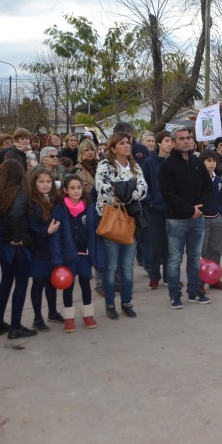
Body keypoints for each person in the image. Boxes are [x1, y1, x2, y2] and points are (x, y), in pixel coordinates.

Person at [95, 131, 148, 318]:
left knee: (127, 266)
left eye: (128, 143)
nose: (127, 146)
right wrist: (125, 192)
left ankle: (126, 302)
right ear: (113, 147)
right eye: (122, 143)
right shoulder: (104, 165)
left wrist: (127, 193)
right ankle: (110, 304)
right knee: (111, 266)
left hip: (131, 221)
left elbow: (143, 189)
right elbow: (103, 189)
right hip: (112, 220)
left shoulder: (134, 165)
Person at [0, 160, 38, 339]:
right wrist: (17, 238)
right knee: (20, 284)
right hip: (17, 244)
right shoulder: (20, 192)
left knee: (6, 282)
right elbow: (16, 214)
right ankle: (15, 327)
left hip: (2, 243)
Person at [159, 127, 212, 308]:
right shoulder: (167, 166)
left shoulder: (197, 162)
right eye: (181, 138)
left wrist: (199, 208)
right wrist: (190, 209)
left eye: (189, 138)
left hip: (197, 219)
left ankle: (194, 291)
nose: (186, 141)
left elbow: (207, 188)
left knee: (195, 257)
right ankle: (175, 295)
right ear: (173, 143)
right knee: (175, 259)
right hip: (176, 220)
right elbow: (169, 195)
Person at [50, 174, 98, 332]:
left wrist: (94, 254)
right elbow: (56, 237)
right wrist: (58, 261)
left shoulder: (89, 207)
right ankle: (69, 318)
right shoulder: (59, 209)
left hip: (84, 253)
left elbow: (94, 232)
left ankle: (88, 314)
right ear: (65, 190)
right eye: (72, 188)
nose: (76, 191)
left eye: (79, 187)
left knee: (85, 284)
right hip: (67, 255)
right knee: (68, 287)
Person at [27, 168, 64, 331]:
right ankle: (37, 317)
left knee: (51, 282)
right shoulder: (31, 202)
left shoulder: (56, 200)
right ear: (34, 183)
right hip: (38, 250)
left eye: (48, 182)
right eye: (41, 182)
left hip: (53, 249)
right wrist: (46, 231)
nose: (45, 185)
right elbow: (31, 227)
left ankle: (53, 312)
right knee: (39, 282)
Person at [141, 130, 172, 289]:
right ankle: (154, 276)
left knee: (170, 246)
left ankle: (169, 276)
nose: (169, 144)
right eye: (167, 140)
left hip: (172, 210)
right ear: (159, 143)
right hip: (154, 211)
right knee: (155, 246)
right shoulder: (148, 162)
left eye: (171, 141)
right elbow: (144, 185)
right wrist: (150, 202)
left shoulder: (174, 160)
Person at [198, 149, 222, 292]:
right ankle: (199, 281)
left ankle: (214, 278)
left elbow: (221, 197)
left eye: (214, 161)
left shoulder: (218, 179)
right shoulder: (198, 179)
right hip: (202, 219)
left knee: (216, 250)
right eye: (208, 161)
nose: (212, 164)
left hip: (217, 217)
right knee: (201, 251)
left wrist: (221, 212)